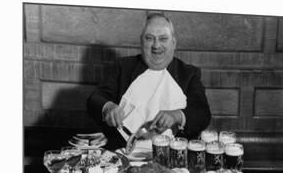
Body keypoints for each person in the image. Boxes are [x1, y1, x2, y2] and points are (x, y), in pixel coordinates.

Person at [87, 12, 211, 150]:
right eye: (149, 38)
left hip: (172, 154)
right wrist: (108, 107)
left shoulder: (189, 74)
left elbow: (203, 114)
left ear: (173, 43)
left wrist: (177, 115)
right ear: (141, 42)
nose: (156, 46)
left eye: (163, 39)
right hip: (123, 152)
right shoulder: (123, 67)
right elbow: (95, 98)